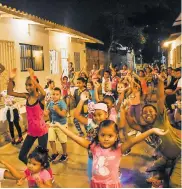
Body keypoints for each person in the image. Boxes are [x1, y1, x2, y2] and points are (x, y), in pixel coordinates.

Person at [54, 119, 168, 188]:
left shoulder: (119, 149)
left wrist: (152, 131)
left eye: (110, 136)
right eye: (103, 135)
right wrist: (59, 126)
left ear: (116, 136)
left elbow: (134, 140)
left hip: (111, 185)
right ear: (98, 135)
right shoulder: (94, 147)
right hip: (96, 183)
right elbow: (74, 137)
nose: (106, 138)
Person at [124, 73, 181, 187]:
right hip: (167, 157)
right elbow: (132, 123)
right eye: (145, 112)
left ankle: (166, 177)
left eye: (150, 111)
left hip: (180, 154)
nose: (148, 113)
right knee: (150, 169)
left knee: (175, 184)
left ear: (156, 112)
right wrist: (125, 110)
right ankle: (162, 177)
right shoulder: (145, 128)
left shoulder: (161, 118)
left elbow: (160, 97)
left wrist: (160, 81)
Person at [7, 68, 48, 165]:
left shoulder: (40, 98)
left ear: (35, 84)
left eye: (30, 84)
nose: (27, 87)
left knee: (42, 158)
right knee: (21, 156)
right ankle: (34, 169)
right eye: (26, 85)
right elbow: (10, 92)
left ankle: (47, 176)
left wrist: (32, 77)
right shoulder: (27, 96)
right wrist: (10, 79)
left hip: (42, 132)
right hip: (31, 132)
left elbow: (43, 93)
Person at [44, 87, 68, 163]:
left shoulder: (62, 103)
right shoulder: (50, 103)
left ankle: (64, 154)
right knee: (51, 139)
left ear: (60, 95)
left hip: (61, 125)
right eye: (53, 94)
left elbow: (63, 114)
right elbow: (46, 113)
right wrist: (41, 106)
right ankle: (55, 153)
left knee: (63, 141)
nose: (54, 96)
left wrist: (57, 110)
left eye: (57, 94)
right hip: (53, 124)